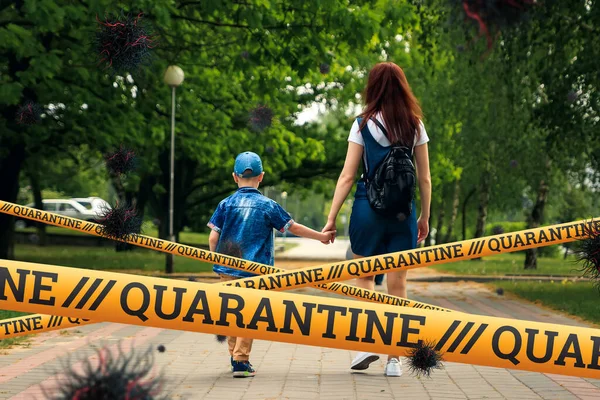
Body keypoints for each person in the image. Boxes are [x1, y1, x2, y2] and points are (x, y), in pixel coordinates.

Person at [322, 62, 431, 377]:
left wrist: (331, 219)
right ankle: (394, 359)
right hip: (403, 213)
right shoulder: (415, 125)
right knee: (398, 286)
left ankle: (365, 345)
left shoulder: (362, 123)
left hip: (367, 209)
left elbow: (347, 175)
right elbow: (424, 179)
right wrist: (423, 216)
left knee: (365, 280)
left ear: (373, 87)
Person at [208, 151, 335, 378]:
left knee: (230, 313)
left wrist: (217, 260)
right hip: (256, 271)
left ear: (234, 177)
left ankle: (234, 356)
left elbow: (213, 238)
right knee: (249, 314)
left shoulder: (225, 204)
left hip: (226, 269)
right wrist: (321, 237)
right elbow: (292, 227)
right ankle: (241, 359)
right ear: (262, 176)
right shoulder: (268, 206)